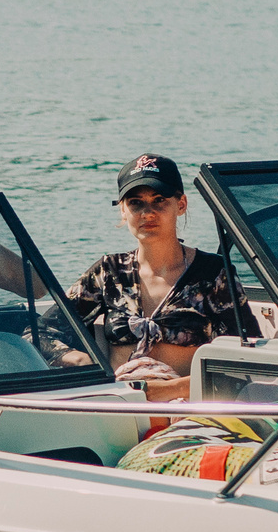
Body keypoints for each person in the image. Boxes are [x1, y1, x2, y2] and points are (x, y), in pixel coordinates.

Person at [65, 155, 254, 402]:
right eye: (135, 203)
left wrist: (170, 389)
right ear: (123, 210)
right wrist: (88, 365)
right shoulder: (109, 272)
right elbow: (43, 332)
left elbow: (248, 354)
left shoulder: (212, 272)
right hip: (120, 405)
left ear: (181, 204)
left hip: (189, 407)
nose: (148, 213)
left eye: (160, 201)